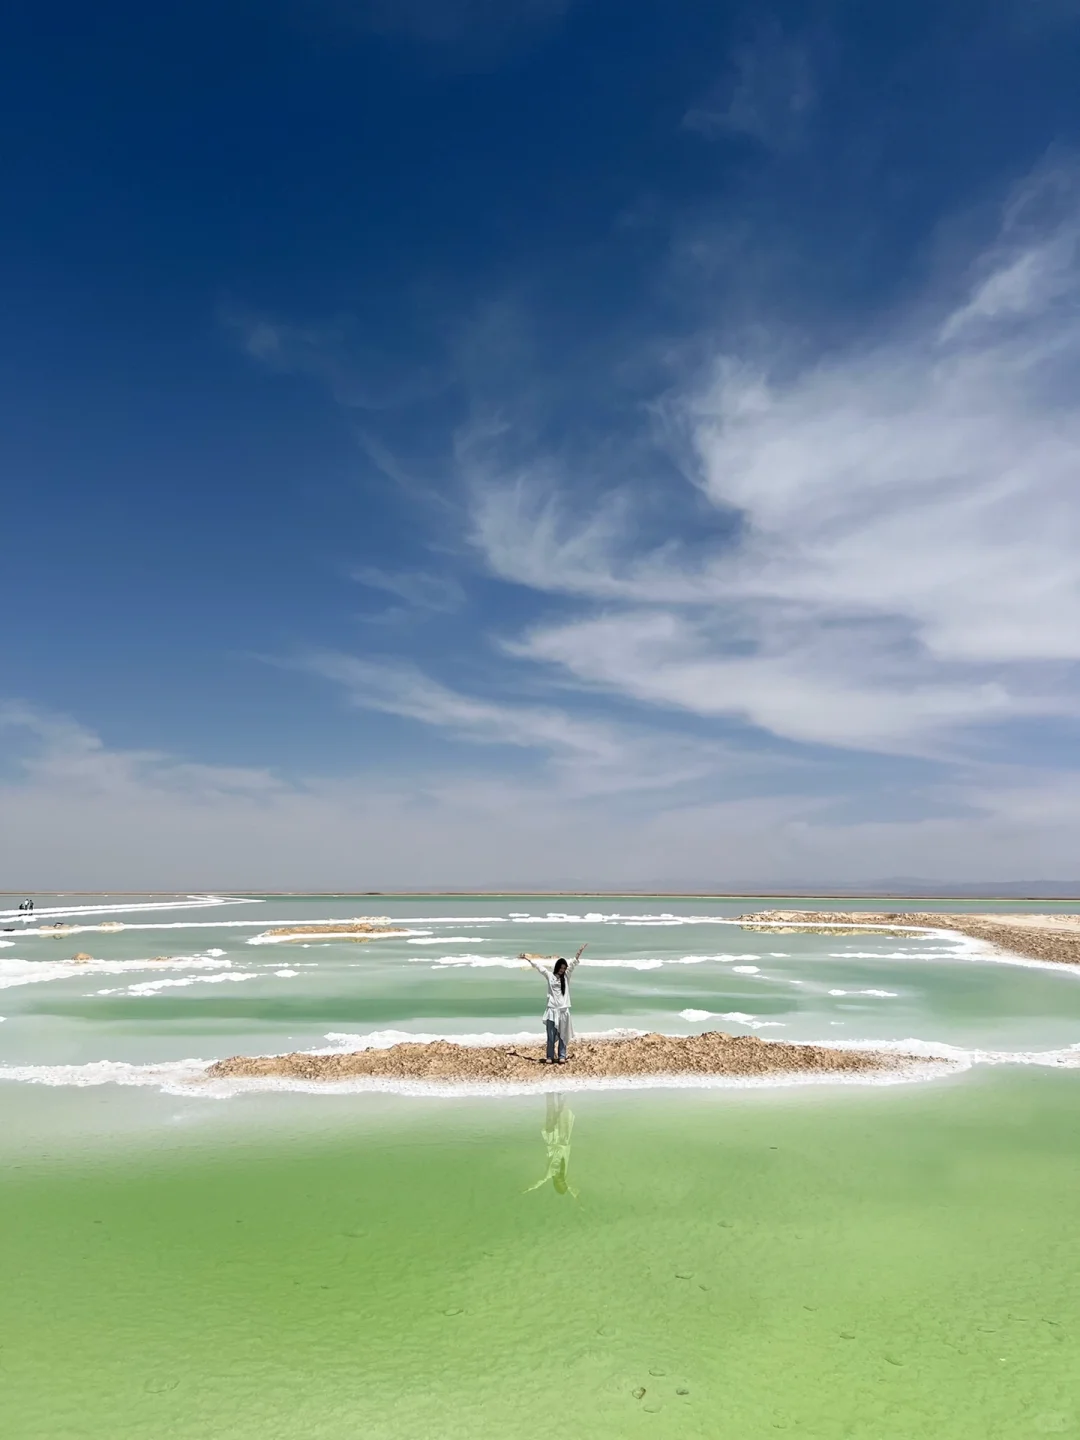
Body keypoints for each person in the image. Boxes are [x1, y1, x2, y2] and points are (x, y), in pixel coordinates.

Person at [520, 944, 585, 1063]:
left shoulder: (566, 976)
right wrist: (528, 959)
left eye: (564, 968)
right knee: (550, 1035)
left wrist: (579, 952)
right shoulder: (550, 976)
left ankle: (562, 1056)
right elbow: (539, 967)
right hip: (551, 1010)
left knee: (563, 1035)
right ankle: (549, 1056)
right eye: (561, 968)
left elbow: (573, 964)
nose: (562, 970)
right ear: (557, 967)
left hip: (563, 1011)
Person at [525, 1093, 578, 1198]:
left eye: (560, 1183)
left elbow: (539, 1182)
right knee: (563, 1110)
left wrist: (528, 1189)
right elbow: (572, 1189)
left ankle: (549, 1091)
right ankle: (561, 1092)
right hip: (563, 1138)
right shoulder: (564, 1173)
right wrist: (578, 1200)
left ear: (556, 1183)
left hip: (552, 1140)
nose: (562, 1181)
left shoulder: (550, 1173)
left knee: (551, 1111)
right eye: (564, 1183)